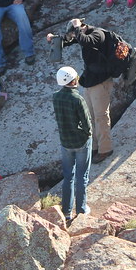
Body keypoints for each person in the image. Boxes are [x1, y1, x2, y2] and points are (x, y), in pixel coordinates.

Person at [47, 18, 115, 164]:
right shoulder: (82, 34)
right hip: (90, 81)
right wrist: (55, 39)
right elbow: (70, 40)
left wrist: (76, 28)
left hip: (101, 82)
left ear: (81, 28)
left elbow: (85, 41)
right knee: (90, 116)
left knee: (100, 116)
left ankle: (105, 149)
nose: (73, 37)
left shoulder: (98, 34)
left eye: (75, 33)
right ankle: (95, 147)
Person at [52, 65, 92, 223]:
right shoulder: (78, 99)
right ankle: (81, 209)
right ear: (73, 80)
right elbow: (87, 124)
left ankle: (66, 211)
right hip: (81, 142)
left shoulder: (56, 97)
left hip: (65, 142)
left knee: (68, 176)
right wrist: (87, 134)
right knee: (82, 177)